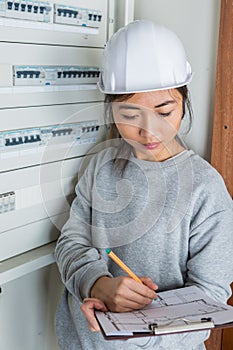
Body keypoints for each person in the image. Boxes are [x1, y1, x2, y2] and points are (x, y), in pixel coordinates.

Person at [54, 20, 233, 350]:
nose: (149, 133)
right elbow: (71, 242)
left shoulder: (206, 189)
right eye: (130, 115)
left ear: (184, 101)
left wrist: (133, 333)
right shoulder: (100, 165)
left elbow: (210, 299)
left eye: (164, 112)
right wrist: (96, 284)